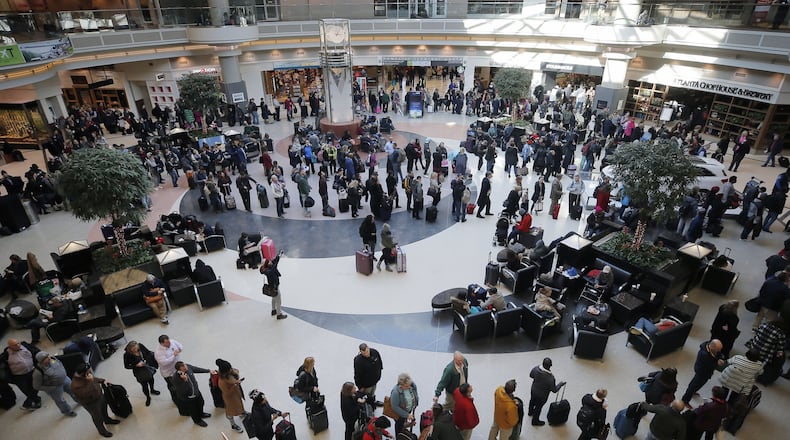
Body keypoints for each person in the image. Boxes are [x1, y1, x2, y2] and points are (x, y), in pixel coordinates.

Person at [71, 363, 120, 437]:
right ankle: (102, 431)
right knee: (97, 417)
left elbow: (94, 379)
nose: (90, 372)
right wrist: (90, 381)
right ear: (83, 373)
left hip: (99, 396)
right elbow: (86, 394)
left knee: (104, 409)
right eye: (88, 371)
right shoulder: (75, 385)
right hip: (91, 403)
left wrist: (102, 380)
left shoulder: (87, 375)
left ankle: (107, 420)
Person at [31, 351, 78, 417]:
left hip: (65, 380)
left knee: (73, 391)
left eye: (48, 356)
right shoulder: (37, 372)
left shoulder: (53, 359)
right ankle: (67, 411)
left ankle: (80, 401)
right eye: (46, 358)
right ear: (41, 361)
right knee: (61, 400)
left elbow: (60, 364)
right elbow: (36, 386)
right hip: (55, 388)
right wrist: (51, 388)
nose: (49, 358)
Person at [680, 340, 725, 407]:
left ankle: (693, 391)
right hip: (702, 371)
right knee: (694, 385)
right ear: (712, 348)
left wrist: (721, 358)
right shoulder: (704, 354)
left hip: (706, 372)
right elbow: (711, 365)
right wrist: (717, 363)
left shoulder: (712, 348)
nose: (719, 351)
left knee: (700, 384)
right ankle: (685, 400)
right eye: (718, 350)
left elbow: (720, 355)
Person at [1, 338, 41, 410]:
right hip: (19, 376)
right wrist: (9, 378)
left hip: (32, 370)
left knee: (35, 386)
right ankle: (36, 401)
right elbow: (3, 368)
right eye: (15, 345)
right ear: (10, 347)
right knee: (26, 390)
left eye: (18, 343)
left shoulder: (25, 346)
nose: (18, 345)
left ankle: (29, 403)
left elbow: (36, 352)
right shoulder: (6, 355)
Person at [171, 361, 213, 427]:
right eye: (184, 367)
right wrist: (185, 381)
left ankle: (201, 413)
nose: (186, 367)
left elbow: (196, 369)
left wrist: (208, 371)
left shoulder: (188, 367)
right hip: (188, 397)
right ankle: (197, 420)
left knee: (201, 403)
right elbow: (183, 390)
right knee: (193, 410)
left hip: (196, 392)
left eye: (185, 365)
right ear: (179, 369)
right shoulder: (175, 378)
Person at [528, 357, 566, 426]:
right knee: (538, 408)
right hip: (542, 396)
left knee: (532, 401)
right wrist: (560, 384)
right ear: (550, 366)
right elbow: (554, 390)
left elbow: (531, 375)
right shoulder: (551, 378)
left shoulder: (536, 368)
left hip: (533, 390)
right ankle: (535, 421)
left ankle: (530, 412)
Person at [123, 341, 160, 407]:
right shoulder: (127, 355)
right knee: (144, 385)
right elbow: (126, 366)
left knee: (151, 379)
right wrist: (136, 365)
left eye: (136, 348)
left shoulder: (140, 346)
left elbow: (148, 353)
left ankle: (152, 390)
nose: (135, 350)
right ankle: (148, 397)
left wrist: (147, 360)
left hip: (147, 368)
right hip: (139, 372)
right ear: (129, 349)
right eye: (133, 349)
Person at [154, 334, 184, 410]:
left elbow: (180, 345)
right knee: (173, 387)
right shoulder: (158, 352)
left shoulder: (172, 341)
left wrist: (180, 349)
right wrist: (173, 355)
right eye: (167, 343)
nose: (169, 344)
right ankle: (176, 400)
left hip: (178, 368)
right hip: (169, 373)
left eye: (169, 341)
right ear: (161, 343)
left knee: (181, 383)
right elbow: (164, 362)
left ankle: (182, 396)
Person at [216, 358, 246, 433]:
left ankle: (242, 412)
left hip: (236, 394)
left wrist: (235, 374)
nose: (231, 369)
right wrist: (235, 385)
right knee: (230, 411)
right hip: (230, 398)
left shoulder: (229, 372)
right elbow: (227, 392)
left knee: (239, 404)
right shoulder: (222, 381)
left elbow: (236, 371)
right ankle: (233, 424)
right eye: (229, 369)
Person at [260, 250, 287, 320]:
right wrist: (277, 260)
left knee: (274, 298)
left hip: (272, 288)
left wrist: (279, 255)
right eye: (269, 261)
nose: (270, 261)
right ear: (266, 265)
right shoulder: (269, 271)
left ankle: (273, 310)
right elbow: (275, 265)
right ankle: (279, 314)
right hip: (275, 287)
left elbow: (275, 261)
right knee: (279, 301)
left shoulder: (268, 268)